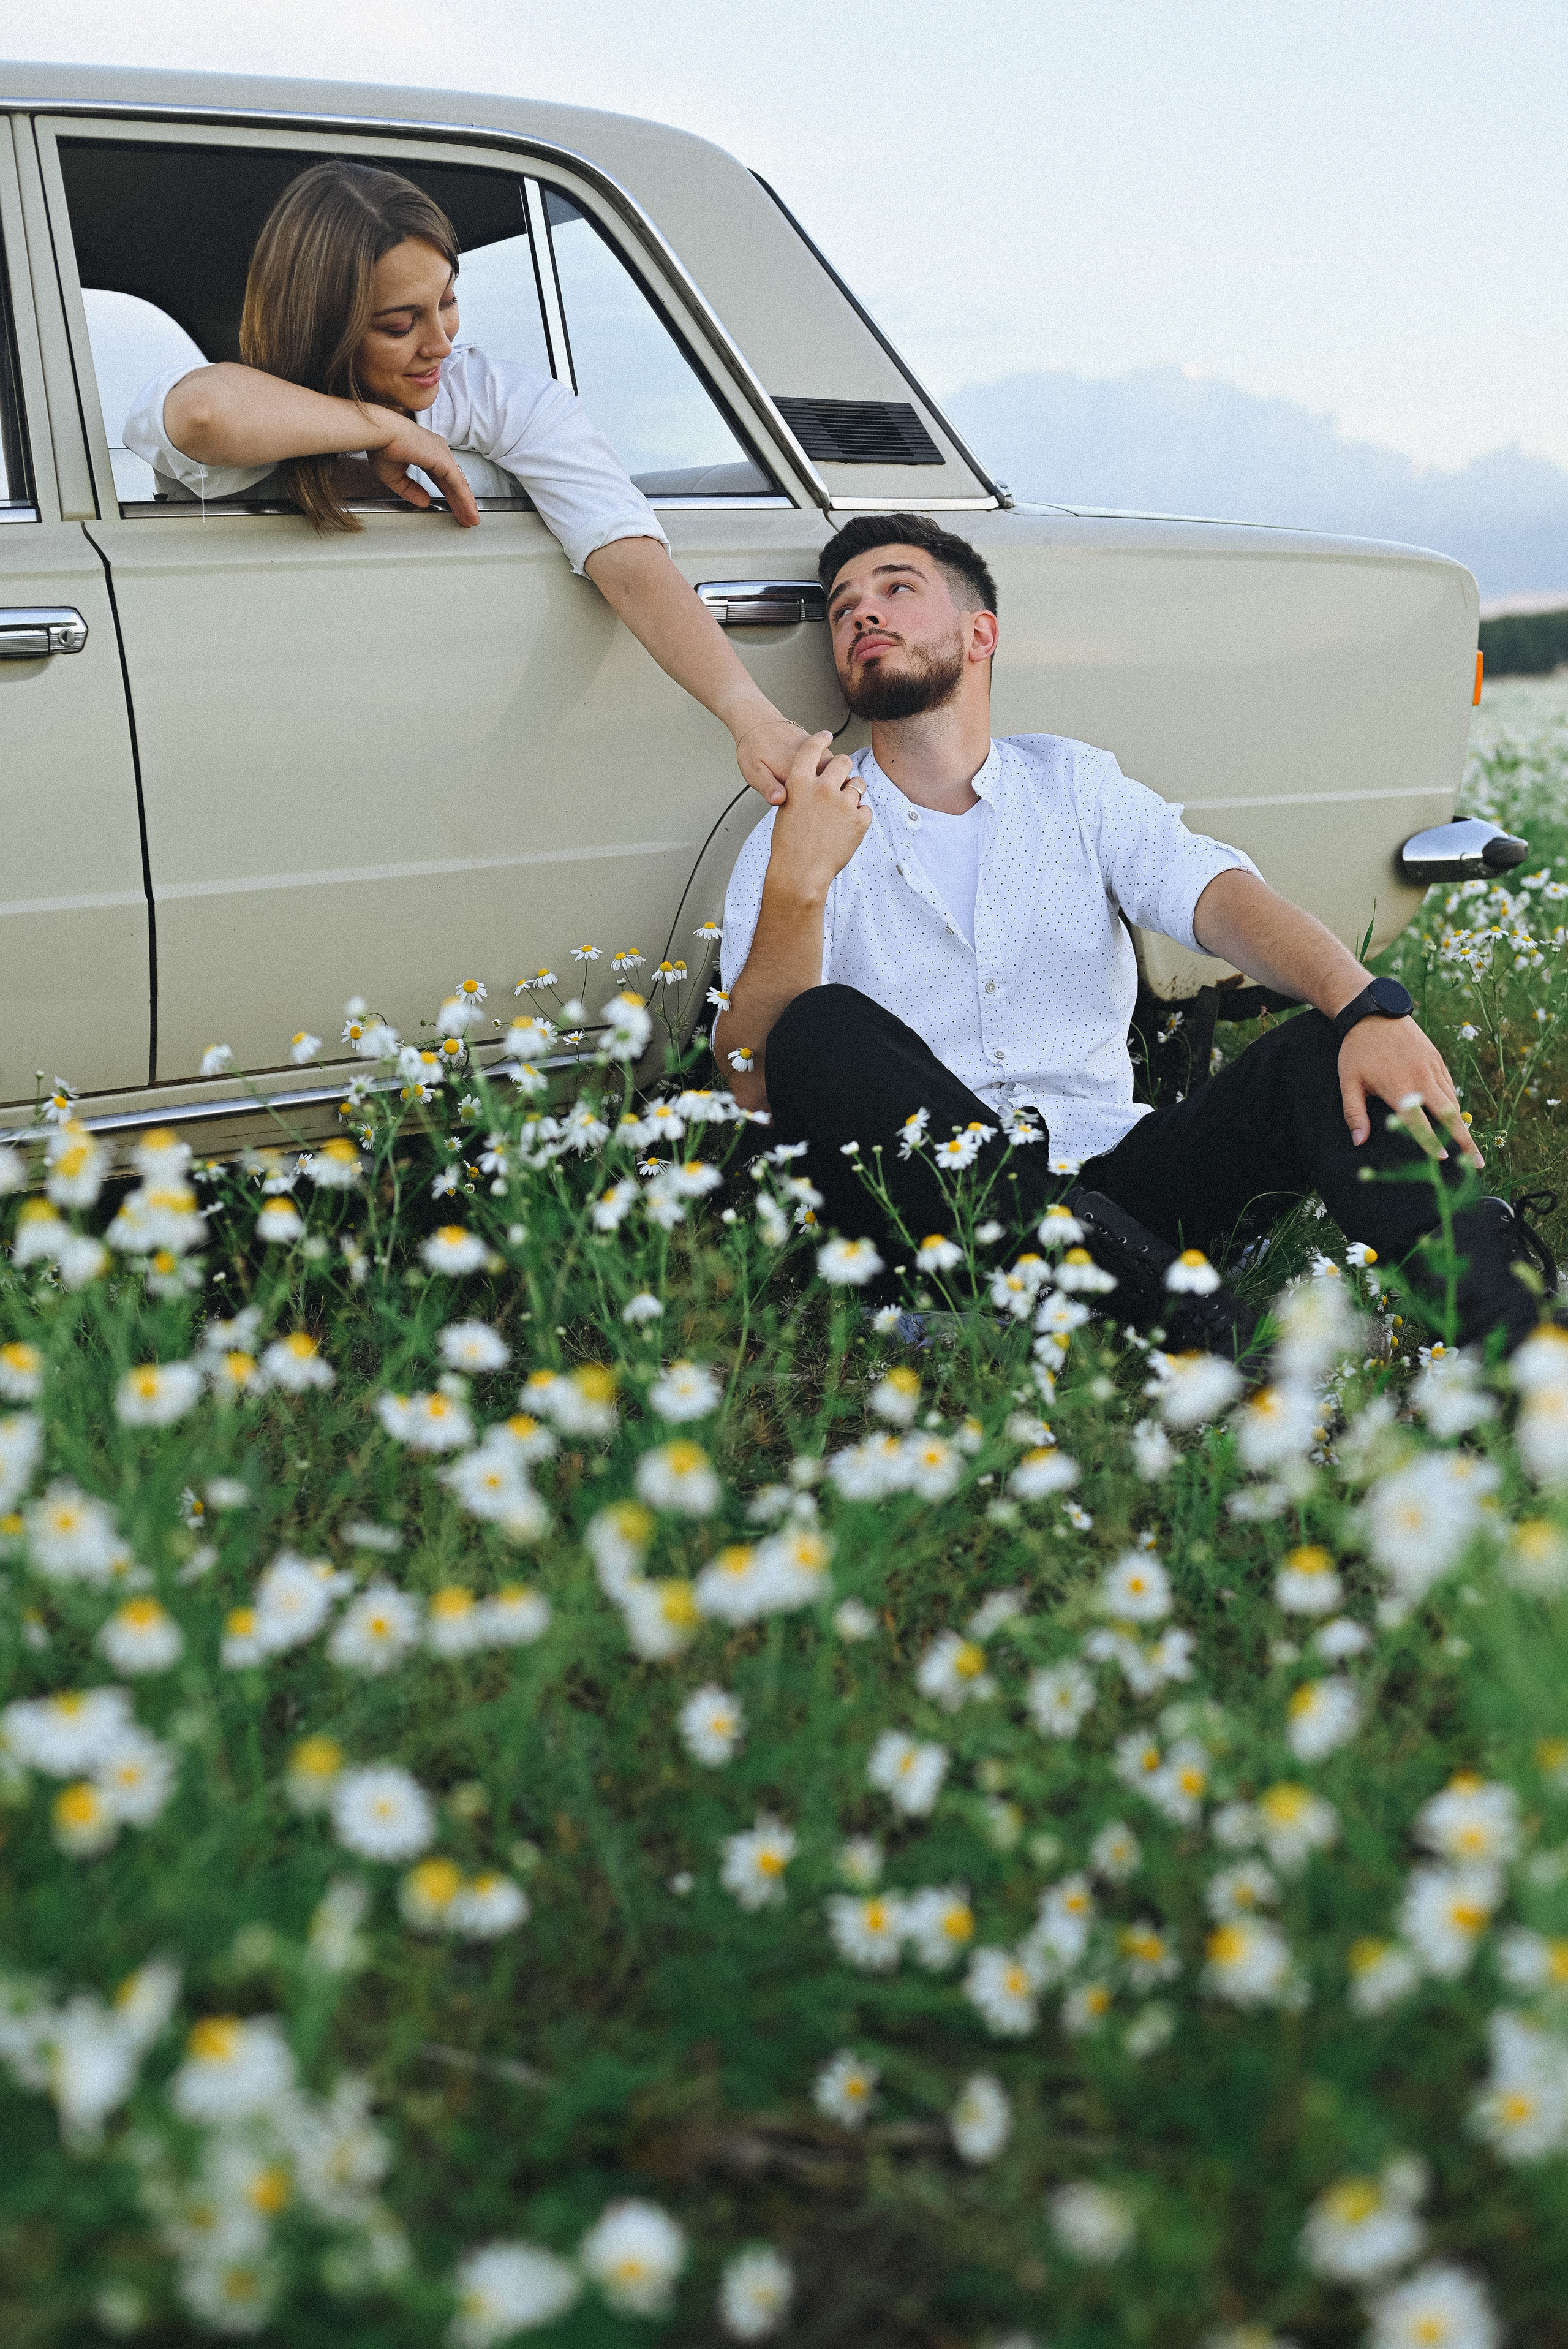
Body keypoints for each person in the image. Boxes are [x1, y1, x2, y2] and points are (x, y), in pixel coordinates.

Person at [713, 510, 1551, 1353]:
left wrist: (1368, 1007)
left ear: (980, 633)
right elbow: (750, 1079)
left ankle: (1518, 1334)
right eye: (843, 605)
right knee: (818, 1031)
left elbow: (1220, 899)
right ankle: (1199, 1327)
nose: (861, 612)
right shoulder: (799, 828)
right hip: (938, 1219)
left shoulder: (1072, 784)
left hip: (1122, 1187)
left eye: (897, 587)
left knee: (1323, 1045)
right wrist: (801, 879)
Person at [122, 160, 804, 805]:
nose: (441, 343)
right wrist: (386, 429)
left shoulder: (489, 394)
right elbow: (206, 415)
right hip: (226, 732)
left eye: (446, 302)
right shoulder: (240, 402)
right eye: (399, 324)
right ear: (322, 323)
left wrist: (749, 715)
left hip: (432, 738)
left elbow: (623, 550)